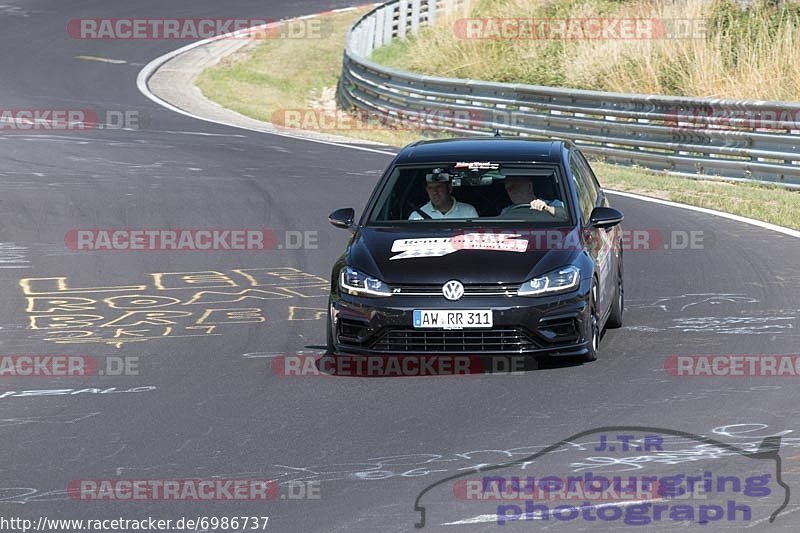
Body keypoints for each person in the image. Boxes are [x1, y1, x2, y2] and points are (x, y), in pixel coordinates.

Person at [408, 170, 478, 220]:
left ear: (449, 188)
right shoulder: (416, 216)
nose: (434, 192)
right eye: (430, 188)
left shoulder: (468, 212)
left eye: (438, 187)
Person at [500, 176, 565, 217]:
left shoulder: (552, 204)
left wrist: (547, 208)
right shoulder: (506, 211)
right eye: (507, 188)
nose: (510, 191)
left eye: (515, 186)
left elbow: (567, 215)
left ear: (529, 186)